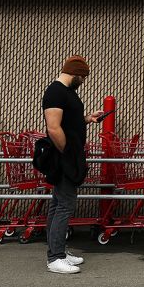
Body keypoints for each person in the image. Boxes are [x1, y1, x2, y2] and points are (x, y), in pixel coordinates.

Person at [42, 55, 106, 275]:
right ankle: (55, 258)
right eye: (83, 76)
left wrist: (88, 118)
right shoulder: (56, 92)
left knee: (58, 203)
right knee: (65, 205)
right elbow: (53, 127)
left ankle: (58, 251)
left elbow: (69, 121)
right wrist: (67, 152)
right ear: (76, 73)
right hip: (64, 156)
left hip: (69, 155)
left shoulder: (67, 93)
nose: (84, 80)